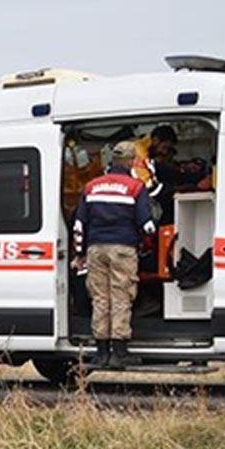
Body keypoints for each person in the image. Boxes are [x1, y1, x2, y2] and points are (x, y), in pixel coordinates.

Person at [74, 141, 155, 369]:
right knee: (121, 297)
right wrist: (144, 244)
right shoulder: (135, 187)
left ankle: (101, 353)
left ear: (112, 160)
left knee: (100, 298)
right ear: (130, 161)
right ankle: (119, 353)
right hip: (123, 248)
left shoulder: (91, 187)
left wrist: (80, 253)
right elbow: (147, 225)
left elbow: (79, 224)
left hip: (95, 249)